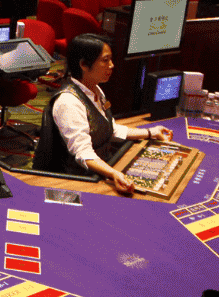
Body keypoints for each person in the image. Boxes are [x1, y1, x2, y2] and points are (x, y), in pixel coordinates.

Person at [34, 34, 174, 191]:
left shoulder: (95, 88)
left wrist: (149, 132)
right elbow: (83, 153)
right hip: (77, 180)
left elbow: (110, 129)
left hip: (102, 167)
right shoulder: (68, 102)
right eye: (105, 60)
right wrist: (114, 173)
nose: (112, 65)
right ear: (84, 65)